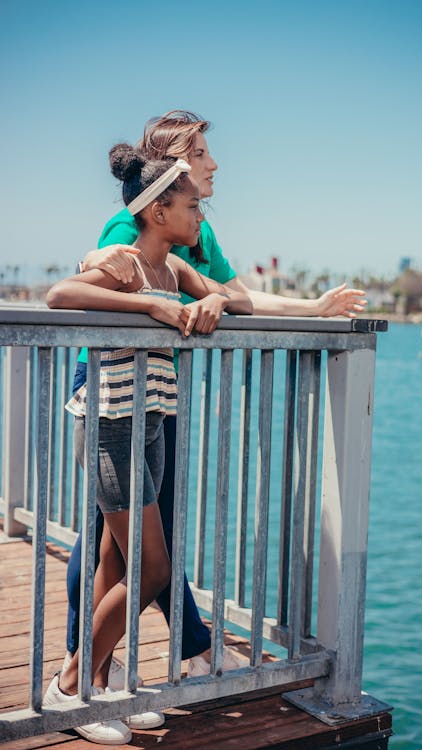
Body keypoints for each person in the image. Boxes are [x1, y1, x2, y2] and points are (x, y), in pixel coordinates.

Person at [65, 110, 367, 684]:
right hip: (109, 390)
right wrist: (149, 299)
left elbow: (232, 294)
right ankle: (90, 665)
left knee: (131, 538)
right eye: (200, 152)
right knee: (114, 537)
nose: (214, 163)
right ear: (172, 166)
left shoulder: (193, 236)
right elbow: (94, 273)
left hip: (154, 391)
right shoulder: (131, 229)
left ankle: (120, 659)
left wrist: (312, 310)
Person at [43, 145, 252, 745]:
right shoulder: (128, 265)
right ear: (158, 211)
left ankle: (97, 688)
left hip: (151, 422)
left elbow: (233, 297)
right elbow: (60, 296)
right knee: (153, 566)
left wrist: (208, 297)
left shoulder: (176, 269)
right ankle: (71, 686)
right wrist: (149, 305)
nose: (201, 217)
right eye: (192, 206)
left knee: (119, 559)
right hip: (113, 429)